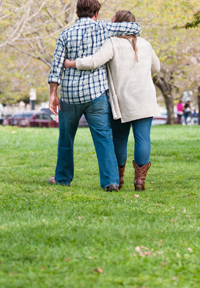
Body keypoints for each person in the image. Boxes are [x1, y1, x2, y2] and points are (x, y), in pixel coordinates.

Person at [47, 0, 140, 191]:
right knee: (104, 138)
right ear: (96, 13)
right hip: (96, 94)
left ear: (77, 13)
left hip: (70, 95)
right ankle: (111, 181)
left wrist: (53, 94)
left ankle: (63, 178)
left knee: (66, 138)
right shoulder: (104, 27)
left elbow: (56, 66)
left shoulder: (65, 34)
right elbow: (136, 28)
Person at [64, 10, 160, 191]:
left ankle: (119, 178)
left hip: (122, 100)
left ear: (117, 22)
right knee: (142, 138)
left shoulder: (112, 43)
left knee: (120, 138)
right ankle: (139, 180)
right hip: (145, 98)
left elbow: (94, 61)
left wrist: (71, 63)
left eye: (113, 19)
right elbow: (157, 67)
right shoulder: (145, 44)